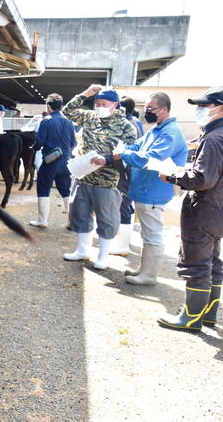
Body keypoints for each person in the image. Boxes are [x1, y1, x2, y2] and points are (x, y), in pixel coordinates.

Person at [95, 92, 188, 284]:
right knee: (147, 232)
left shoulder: (170, 133)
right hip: (145, 190)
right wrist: (122, 151)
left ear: (164, 109)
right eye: (145, 109)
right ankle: (145, 269)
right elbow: (138, 147)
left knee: (152, 233)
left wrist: (124, 155)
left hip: (153, 192)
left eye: (150, 109)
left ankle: (149, 275)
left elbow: (151, 157)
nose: (147, 112)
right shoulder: (157, 130)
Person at [158, 86, 223, 331]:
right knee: (212, 262)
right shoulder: (217, 134)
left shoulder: (214, 139)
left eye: (205, 106)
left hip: (204, 210)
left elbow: (203, 178)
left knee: (196, 263)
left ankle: (191, 317)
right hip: (218, 210)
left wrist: (172, 176)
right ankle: (208, 314)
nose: (199, 110)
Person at [61, 85, 137, 270]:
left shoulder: (126, 127)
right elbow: (67, 111)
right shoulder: (90, 116)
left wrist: (108, 160)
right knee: (80, 214)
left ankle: (103, 256)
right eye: (97, 103)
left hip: (107, 181)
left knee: (107, 219)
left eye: (104, 103)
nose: (99, 106)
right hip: (83, 176)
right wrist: (86, 94)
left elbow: (130, 153)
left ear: (115, 105)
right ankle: (82, 250)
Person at [29, 94, 76, 227]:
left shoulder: (46, 121)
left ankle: (42, 220)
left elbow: (40, 142)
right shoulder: (69, 122)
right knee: (66, 190)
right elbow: (73, 142)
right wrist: (65, 151)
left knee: (44, 188)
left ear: (48, 107)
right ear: (61, 107)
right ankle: (71, 221)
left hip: (50, 162)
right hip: (66, 162)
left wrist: (34, 147)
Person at [109, 96, 145, 256]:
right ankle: (123, 243)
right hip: (130, 168)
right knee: (126, 204)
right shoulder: (137, 122)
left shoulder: (127, 125)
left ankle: (123, 246)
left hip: (124, 168)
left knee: (123, 204)